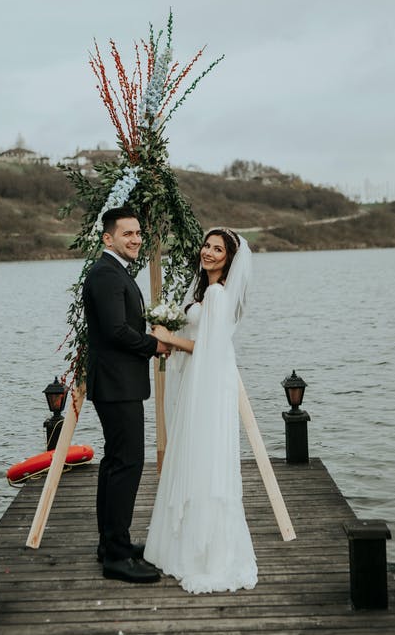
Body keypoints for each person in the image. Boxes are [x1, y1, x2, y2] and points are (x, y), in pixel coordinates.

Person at [144, 227, 258, 593]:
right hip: (201, 379)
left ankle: (206, 553)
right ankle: (183, 543)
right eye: (206, 246)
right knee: (194, 454)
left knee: (205, 456)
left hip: (208, 383)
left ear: (229, 259)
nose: (208, 252)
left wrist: (165, 337)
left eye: (217, 249)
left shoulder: (218, 294)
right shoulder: (204, 291)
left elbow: (206, 347)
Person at [82, 206, 170, 584]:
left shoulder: (115, 272)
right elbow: (116, 331)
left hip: (119, 383)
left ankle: (110, 543)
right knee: (128, 464)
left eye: (138, 233)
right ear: (108, 238)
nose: (135, 239)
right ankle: (116, 556)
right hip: (116, 385)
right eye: (127, 234)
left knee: (115, 462)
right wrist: (155, 345)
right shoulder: (106, 274)